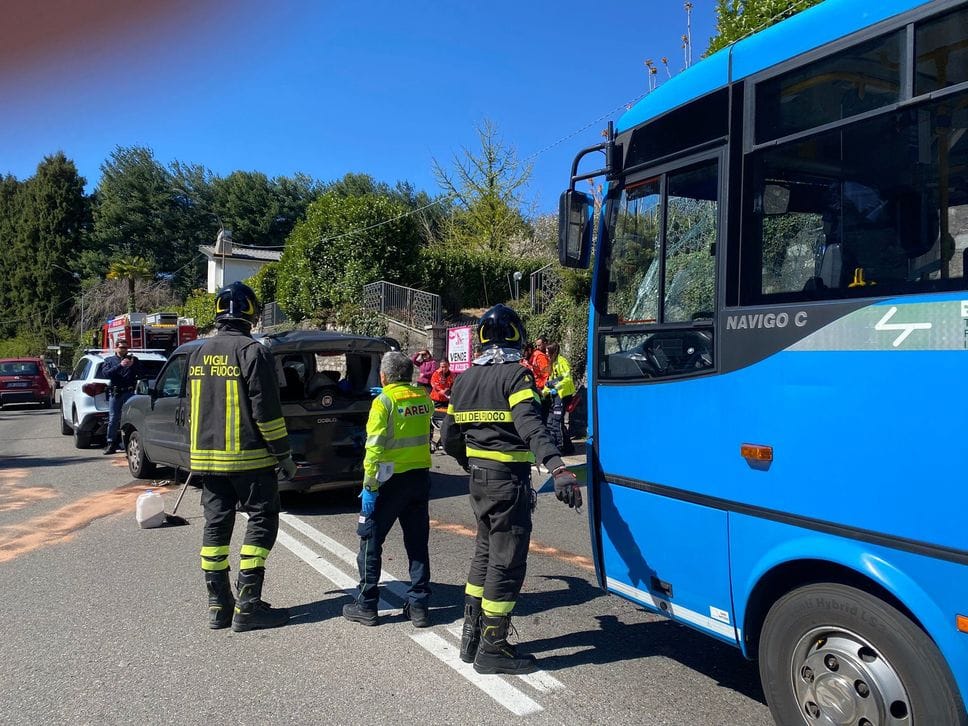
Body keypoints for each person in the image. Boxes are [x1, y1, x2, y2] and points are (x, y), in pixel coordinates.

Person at [441, 304, 582, 675]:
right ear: (516, 335)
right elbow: (531, 427)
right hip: (507, 482)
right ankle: (493, 649)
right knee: (506, 562)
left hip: (478, 481)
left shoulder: (465, 379)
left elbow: (449, 436)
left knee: (484, 555)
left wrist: (467, 461)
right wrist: (559, 467)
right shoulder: (517, 376)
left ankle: (470, 639)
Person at [187, 281, 298, 633]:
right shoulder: (253, 352)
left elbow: (190, 408)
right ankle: (248, 606)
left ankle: (218, 606)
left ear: (218, 313)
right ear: (251, 314)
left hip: (207, 461)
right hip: (249, 459)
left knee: (215, 527)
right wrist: (284, 456)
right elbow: (266, 413)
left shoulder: (197, 353)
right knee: (262, 520)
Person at [344, 351, 434, 628]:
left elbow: (374, 448)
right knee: (417, 543)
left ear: (383, 377)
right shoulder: (423, 397)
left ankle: (367, 604)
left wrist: (370, 487)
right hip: (419, 478)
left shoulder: (383, 402)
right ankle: (419, 606)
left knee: (370, 541)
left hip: (388, 481)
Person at [101, 338, 143, 454]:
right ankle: (111, 443)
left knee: (131, 418)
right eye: (121, 347)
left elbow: (141, 373)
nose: (124, 350)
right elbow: (106, 374)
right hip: (116, 393)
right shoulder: (109, 360)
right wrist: (120, 365)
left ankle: (129, 443)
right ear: (116, 348)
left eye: (126, 347)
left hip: (129, 393)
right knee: (113, 419)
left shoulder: (133, 360)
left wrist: (133, 366)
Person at [542, 342, 576, 454]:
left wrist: (556, 388)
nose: (546, 353)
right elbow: (551, 382)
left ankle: (561, 447)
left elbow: (567, 379)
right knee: (552, 422)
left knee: (557, 421)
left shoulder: (562, 362)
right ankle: (568, 447)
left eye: (547, 351)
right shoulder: (553, 363)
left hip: (563, 394)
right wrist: (544, 393)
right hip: (556, 394)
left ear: (552, 351)